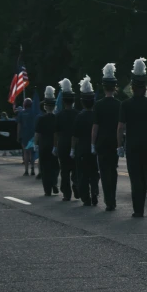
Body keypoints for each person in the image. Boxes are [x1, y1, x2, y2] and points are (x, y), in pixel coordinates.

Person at [118, 58, 147, 217]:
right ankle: (141, 206)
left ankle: (138, 209)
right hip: (145, 143)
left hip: (131, 143)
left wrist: (120, 145)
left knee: (134, 176)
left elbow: (120, 127)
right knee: (144, 175)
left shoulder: (126, 105)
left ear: (133, 86)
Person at [92, 63, 122, 211]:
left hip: (102, 142)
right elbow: (122, 127)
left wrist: (93, 143)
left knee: (104, 172)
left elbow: (95, 127)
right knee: (113, 170)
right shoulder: (119, 104)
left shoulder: (98, 105)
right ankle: (113, 198)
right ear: (115, 87)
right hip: (114, 142)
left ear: (104, 87)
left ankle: (108, 199)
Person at [73, 76, 100, 206]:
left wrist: (72, 149)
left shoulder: (79, 117)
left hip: (82, 149)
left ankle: (86, 197)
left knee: (83, 175)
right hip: (94, 149)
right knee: (94, 172)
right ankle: (95, 191)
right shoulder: (96, 115)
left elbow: (75, 136)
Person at [55, 79, 79, 201]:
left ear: (63, 101)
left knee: (64, 170)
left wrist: (55, 146)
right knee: (75, 168)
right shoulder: (77, 114)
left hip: (63, 144)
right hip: (75, 145)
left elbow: (56, 132)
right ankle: (76, 184)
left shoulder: (59, 115)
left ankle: (66, 193)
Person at [35, 87, 59, 195]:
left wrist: (35, 144)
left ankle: (47, 190)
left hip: (43, 146)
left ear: (45, 107)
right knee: (55, 166)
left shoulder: (41, 119)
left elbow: (37, 133)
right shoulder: (57, 118)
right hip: (54, 145)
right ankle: (54, 182)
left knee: (45, 168)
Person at [17, 98, 38, 176]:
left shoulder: (21, 113)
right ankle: (32, 168)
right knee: (32, 152)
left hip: (24, 135)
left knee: (25, 152)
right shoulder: (34, 113)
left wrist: (18, 135)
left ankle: (26, 170)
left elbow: (19, 125)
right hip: (33, 135)